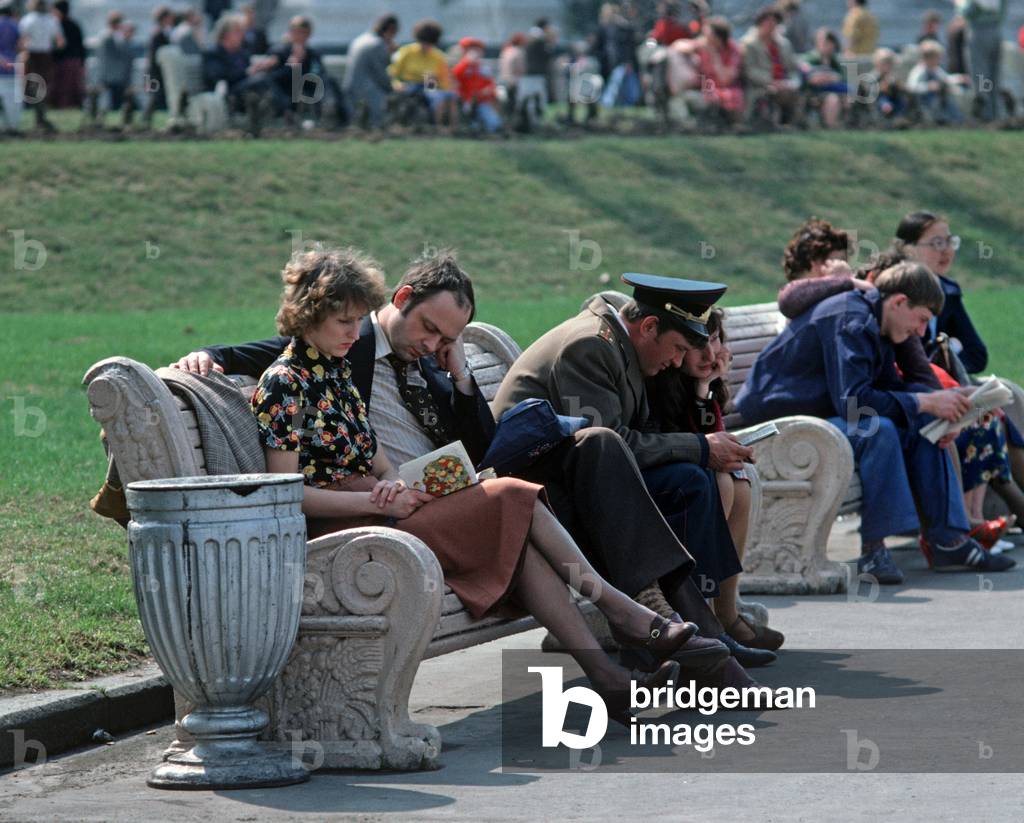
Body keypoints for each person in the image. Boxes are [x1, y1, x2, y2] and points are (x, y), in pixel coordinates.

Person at [174, 252, 754, 686]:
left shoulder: (404, 367)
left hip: (429, 491)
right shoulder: (328, 356)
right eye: (429, 328)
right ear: (399, 300)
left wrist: (459, 379)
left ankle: (633, 652)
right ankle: (637, 625)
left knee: (556, 478)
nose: (434, 343)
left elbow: (481, 443)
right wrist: (212, 357)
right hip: (381, 513)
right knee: (527, 497)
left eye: (448, 337)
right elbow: (280, 362)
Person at [494, 274, 782, 668]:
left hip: (582, 485)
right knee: (688, 482)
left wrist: (701, 445)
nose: (678, 362)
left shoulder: (620, 347)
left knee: (692, 481)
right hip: (542, 500)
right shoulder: (591, 346)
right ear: (648, 327)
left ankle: (697, 629)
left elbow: (631, 440)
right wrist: (699, 448)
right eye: (678, 348)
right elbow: (608, 445)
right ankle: (685, 633)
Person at [737, 261, 1016, 583]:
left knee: (921, 425)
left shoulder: (878, 321)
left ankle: (949, 540)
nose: (922, 332)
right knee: (877, 429)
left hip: (821, 418)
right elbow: (854, 403)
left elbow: (884, 390)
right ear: (899, 302)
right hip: (778, 426)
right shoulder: (850, 319)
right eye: (922, 319)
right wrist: (925, 401)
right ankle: (874, 551)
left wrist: (945, 402)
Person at [648, 308, 783, 652]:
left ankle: (726, 611)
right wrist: (701, 392)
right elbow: (694, 443)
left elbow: (712, 438)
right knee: (721, 481)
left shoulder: (698, 383)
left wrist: (706, 387)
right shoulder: (662, 380)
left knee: (739, 480)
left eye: (713, 340)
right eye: (697, 346)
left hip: (690, 471)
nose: (709, 354)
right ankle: (703, 615)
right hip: (664, 482)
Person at [896, 210, 1024, 516]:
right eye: (936, 242)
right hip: (917, 385)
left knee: (1009, 392)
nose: (946, 250)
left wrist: (947, 356)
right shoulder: (899, 291)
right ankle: (998, 508)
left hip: (946, 378)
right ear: (908, 249)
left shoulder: (947, 291)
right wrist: (935, 361)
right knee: (984, 409)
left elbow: (977, 353)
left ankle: (1003, 503)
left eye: (949, 241)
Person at [261, 15, 346, 128]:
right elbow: (272, 79)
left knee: (329, 81)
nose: (300, 36)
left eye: (303, 32)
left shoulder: (311, 53)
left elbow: (320, 74)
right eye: (296, 32)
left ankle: (331, 110)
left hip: (308, 91)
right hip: (286, 93)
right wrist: (293, 66)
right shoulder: (279, 52)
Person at [389, 19, 457, 132]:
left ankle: (438, 126)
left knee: (437, 97)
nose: (426, 46)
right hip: (408, 83)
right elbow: (393, 73)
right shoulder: (406, 52)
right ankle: (404, 124)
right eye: (423, 42)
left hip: (428, 82)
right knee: (411, 95)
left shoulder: (438, 56)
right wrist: (396, 83)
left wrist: (441, 87)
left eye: (429, 44)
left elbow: (439, 79)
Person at [740, 6, 801, 126]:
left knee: (793, 92)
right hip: (760, 85)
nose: (771, 27)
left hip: (784, 83)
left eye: (774, 23)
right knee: (777, 93)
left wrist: (791, 82)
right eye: (768, 23)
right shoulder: (749, 44)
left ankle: (791, 123)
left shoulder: (784, 45)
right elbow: (749, 70)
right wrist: (771, 81)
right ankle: (778, 123)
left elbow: (793, 68)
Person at [955, 0, 1007, 121]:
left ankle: (985, 114)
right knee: (993, 76)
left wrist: (959, 4)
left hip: (978, 31)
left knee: (981, 75)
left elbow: (967, 11)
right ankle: (995, 113)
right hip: (996, 31)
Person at [343, 14, 398, 129]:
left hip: (351, 87)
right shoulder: (377, 44)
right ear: (390, 31)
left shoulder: (360, 39)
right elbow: (382, 76)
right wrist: (394, 87)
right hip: (368, 90)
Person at [18, 0, 64, 131]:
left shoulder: (27, 20)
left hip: (32, 55)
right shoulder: (52, 20)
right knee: (43, 86)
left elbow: (22, 41)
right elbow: (60, 42)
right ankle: (40, 117)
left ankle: (38, 117)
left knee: (33, 86)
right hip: (45, 56)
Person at [694, 16, 744, 124]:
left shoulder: (733, 49)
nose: (705, 37)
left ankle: (733, 124)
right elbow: (680, 45)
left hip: (729, 88)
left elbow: (725, 80)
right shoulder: (702, 45)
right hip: (706, 87)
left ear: (718, 37)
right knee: (710, 95)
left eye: (708, 35)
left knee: (730, 96)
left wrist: (714, 55)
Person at [907, 40, 967, 124]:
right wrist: (928, 87)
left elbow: (945, 78)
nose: (939, 61)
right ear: (928, 58)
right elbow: (911, 87)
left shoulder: (936, 70)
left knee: (949, 98)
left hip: (937, 99)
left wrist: (959, 78)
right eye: (937, 58)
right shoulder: (919, 71)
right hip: (922, 101)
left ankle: (957, 119)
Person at [452, 36, 502, 133]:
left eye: (477, 49)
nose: (476, 52)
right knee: (473, 120)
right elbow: (454, 80)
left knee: (494, 123)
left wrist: (489, 91)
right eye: (472, 49)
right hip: (466, 101)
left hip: (482, 101)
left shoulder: (483, 68)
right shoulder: (461, 66)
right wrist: (467, 62)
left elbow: (491, 85)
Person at [800, 28, 848, 128]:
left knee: (848, 98)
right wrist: (828, 78)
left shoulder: (835, 61)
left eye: (829, 43)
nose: (826, 46)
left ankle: (847, 125)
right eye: (823, 42)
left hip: (835, 91)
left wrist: (831, 78)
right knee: (832, 99)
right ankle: (831, 127)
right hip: (812, 93)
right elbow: (811, 79)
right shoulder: (809, 58)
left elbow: (843, 79)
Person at [595, 3, 639, 108]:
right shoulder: (604, 27)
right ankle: (608, 103)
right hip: (607, 61)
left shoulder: (623, 27)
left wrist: (628, 61)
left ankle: (609, 103)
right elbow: (600, 45)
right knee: (613, 84)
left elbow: (628, 45)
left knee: (619, 84)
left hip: (620, 61)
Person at [96, 10, 135, 122]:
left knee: (114, 102)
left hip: (115, 76)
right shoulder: (107, 37)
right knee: (108, 102)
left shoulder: (114, 36)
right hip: (111, 76)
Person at [518, 18, 555, 129]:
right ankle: (533, 123)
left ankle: (531, 122)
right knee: (536, 100)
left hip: (530, 74)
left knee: (530, 100)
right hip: (535, 74)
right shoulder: (539, 40)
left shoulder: (531, 39)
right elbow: (547, 55)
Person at [143, 5, 175, 124]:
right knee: (154, 96)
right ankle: (146, 119)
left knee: (155, 97)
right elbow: (153, 57)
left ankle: (147, 119)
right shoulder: (157, 35)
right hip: (154, 72)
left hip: (155, 72)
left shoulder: (162, 33)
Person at [52, 1, 84, 108]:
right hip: (75, 61)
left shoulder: (57, 26)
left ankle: (63, 106)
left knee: (62, 87)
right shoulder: (75, 25)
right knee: (73, 88)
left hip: (63, 61)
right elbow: (81, 46)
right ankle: (72, 106)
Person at [0, 0, 21, 132]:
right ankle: (12, 126)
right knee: (12, 99)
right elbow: (21, 45)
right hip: (12, 65)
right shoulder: (16, 26)